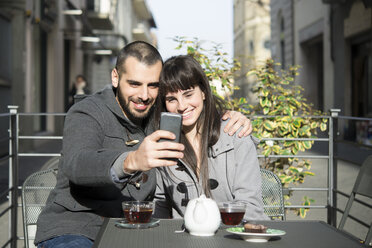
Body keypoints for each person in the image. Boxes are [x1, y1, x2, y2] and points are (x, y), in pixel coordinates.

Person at [35, 41, 253, 248]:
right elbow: (77, 164)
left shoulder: (162, 115)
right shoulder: (88, 112)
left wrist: (226, 116)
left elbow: (188, 105)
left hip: (136, 230)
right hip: (77, 228)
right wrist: (131, 161)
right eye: (134, 84)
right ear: (115, 77)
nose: (144, 95)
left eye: (153, 86)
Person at [154, 55, 268, 220]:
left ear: (204, 93)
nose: (181, 106)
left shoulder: (235, 133)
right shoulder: (164, 146)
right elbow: (161, 207)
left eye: (188, 94)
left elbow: (251, 207)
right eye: (172, 99)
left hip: (235, 236)